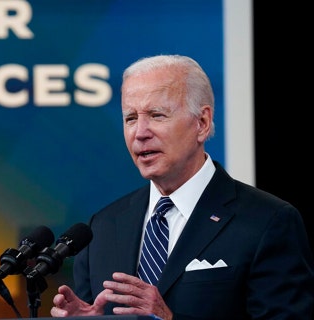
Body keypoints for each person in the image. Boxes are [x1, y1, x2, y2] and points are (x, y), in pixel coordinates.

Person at [50, 54, 314, 319]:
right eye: (130, 118)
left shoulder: (268, 222)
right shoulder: (103, 227)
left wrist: (169, 319)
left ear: (202, 123)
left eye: (156, 115)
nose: (140, 132)